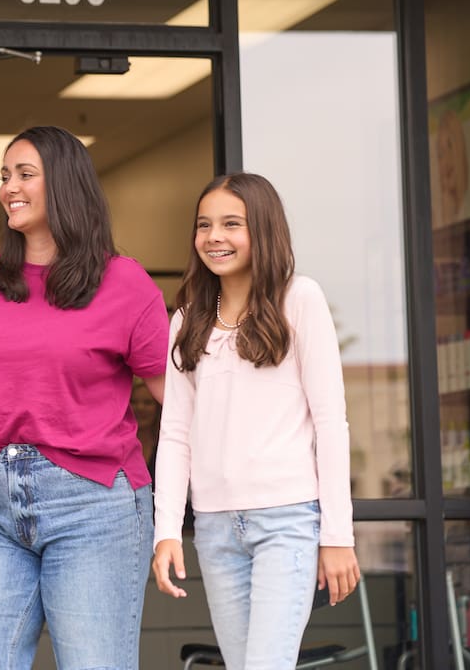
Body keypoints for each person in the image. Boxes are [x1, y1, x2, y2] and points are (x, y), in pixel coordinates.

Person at [0, 126, 168, 669]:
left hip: (96, 505)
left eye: (24, 174)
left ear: (63, 185)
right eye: (4, 176)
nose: (8, 187)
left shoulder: (124, 283)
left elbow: (174, 402)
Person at [152, 173, 360, 670]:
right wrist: (166, 531)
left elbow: (331, 423)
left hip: (286, 522)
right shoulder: (187, 319)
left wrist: (337, 536)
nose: (214, 237)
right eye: (204, 225)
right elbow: (175, 434)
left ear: (263, 230)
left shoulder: (300, 300)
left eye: (231, 224)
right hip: (216, 528)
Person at [130, 380, 162, 477]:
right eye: (134, 402)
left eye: (147, 403)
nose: (140, 408)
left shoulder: (166, 445)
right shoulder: (117, 446)